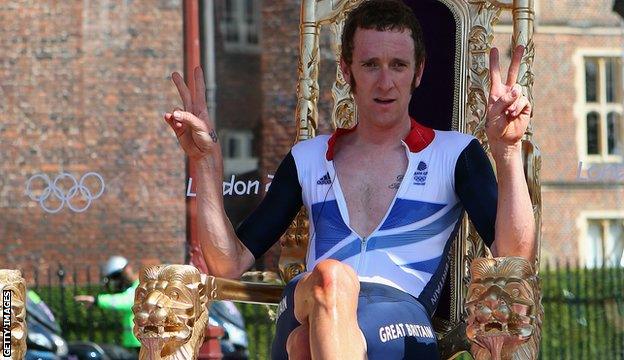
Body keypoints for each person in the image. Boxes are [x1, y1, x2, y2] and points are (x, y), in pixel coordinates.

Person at [163, 1, 535, 358]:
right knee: (331, 280)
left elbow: (515, 256)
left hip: (400, 318)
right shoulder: (307, 158)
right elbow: (228, 265)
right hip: (310, 296)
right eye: (371, 64)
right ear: (346, 70)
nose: (385, 82)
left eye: (398, 65)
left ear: (418, 72)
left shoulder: (455, 154)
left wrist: (508, 151)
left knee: (302, 346)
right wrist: (205, 164)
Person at [74, 256, 141, 352]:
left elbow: (127, 301)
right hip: (134, 344)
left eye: (117, 276)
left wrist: (97, 300)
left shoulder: (143, 285)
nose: (117, 281)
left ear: (127, 269)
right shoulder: (131, 289)